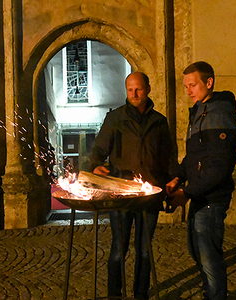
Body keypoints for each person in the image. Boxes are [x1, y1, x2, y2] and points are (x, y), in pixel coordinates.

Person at [88, 71, 176, 299]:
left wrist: (172, 181)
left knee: (144, 250)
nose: (134, 94)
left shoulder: (159, 122)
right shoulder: (116, 118)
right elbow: (99, 148)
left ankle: (140, 294)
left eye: (138, 89)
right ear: (126, 91)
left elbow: (168, 157)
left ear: (147, 88)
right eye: (130, 90)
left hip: (150, 193)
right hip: (121, 194)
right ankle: (114, 294)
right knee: (119, 248)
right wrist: (96, 164)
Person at [166, 61, 236, 300]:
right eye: (186, 86)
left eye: (193, 85)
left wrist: (186, 193)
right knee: (197, 251)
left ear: (209, 82)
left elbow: (218, 165)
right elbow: (194, 157)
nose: (188, 91)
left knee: (209, 258)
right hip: (199, 195)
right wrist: (178, 177)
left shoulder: (219, 113)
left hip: (211, 199)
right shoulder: (199, 112)